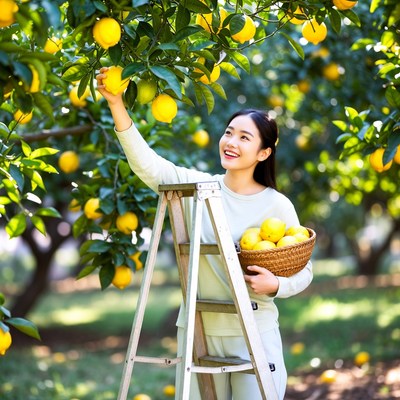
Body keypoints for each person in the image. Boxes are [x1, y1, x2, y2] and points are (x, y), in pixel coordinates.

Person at [96, 67, 313, 400]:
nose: (231, 142)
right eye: (229, 133)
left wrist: (278, 285)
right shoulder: (199, 188)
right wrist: (115, 103)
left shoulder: (276, 205)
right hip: (198, 332)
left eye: (245, 137)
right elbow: (148, 165)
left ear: (264, 153)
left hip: (253, 331)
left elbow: (304, 270)